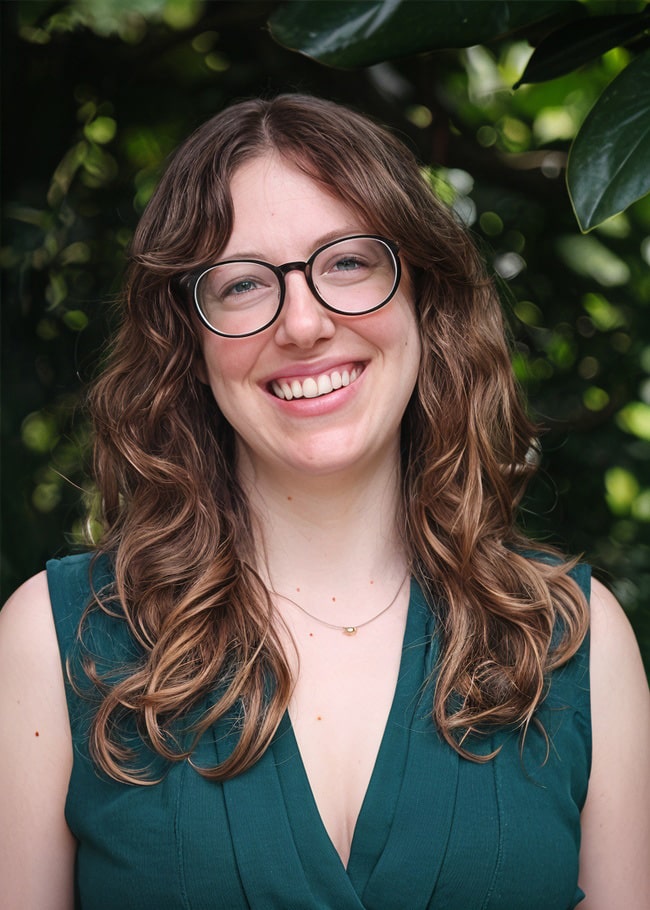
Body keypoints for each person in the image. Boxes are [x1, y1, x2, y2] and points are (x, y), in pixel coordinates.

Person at [1, 94, 648, 910]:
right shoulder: (55, 641)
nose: (303, 323)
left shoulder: (578, 648)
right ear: (188, 345)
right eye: (242, 284)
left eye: (346, 262)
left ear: (423, 297)